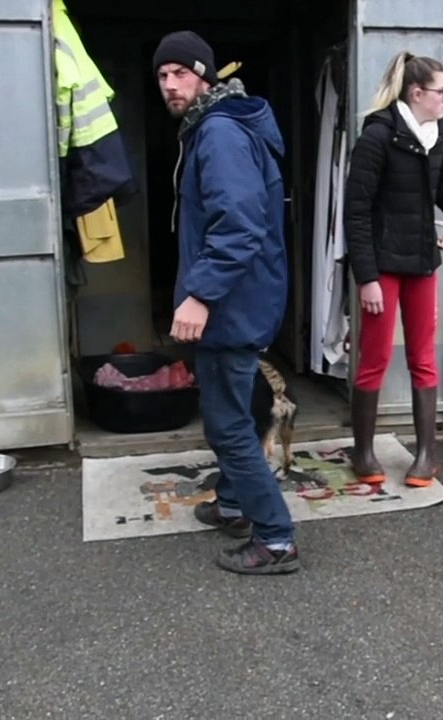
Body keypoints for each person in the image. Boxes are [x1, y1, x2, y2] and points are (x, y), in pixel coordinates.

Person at [154, 30, 299, 575]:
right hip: (243, 298)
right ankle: (236, 505)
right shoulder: (215, 126)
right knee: (234, 413)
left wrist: (199, 296)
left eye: (181, 74)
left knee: (228, 426)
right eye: (163, 76)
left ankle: (277, 540)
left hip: (231, 303)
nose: (170, 84)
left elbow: (238, 227)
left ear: (204, 76)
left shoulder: (217, 133)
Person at [344, 51, 443, 489]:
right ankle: (362, 451)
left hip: (421, 262)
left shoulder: (436, 136)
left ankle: (426, 454)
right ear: (417, 94)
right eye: (441, 92)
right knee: (374, 360)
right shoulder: (377, 138)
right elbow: (355, 211)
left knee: (423, 358)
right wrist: (367, 278)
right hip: (382, 267)